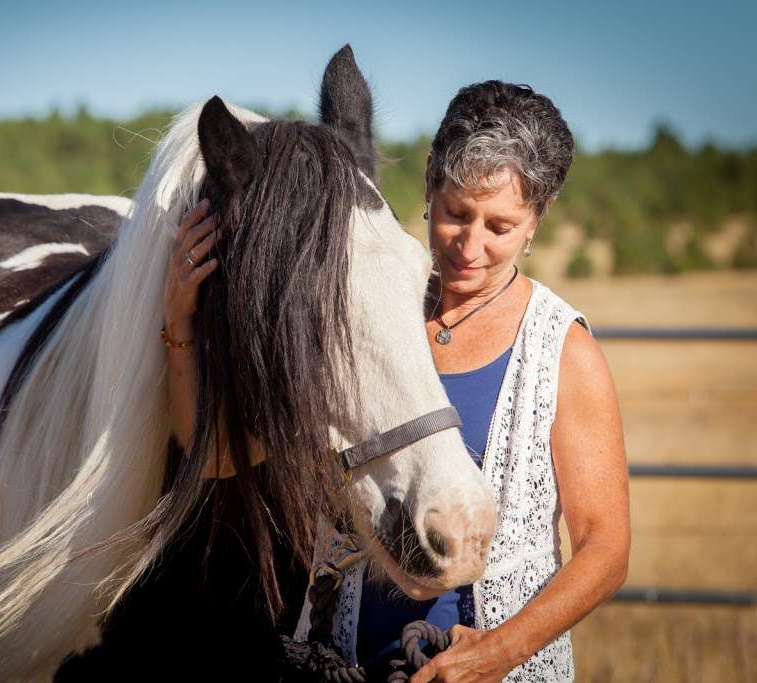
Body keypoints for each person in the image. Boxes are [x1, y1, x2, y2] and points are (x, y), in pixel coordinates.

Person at [164, 81, 630, 682]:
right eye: (456, 213)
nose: (470, 245)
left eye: (501, 226)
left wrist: (498, 653)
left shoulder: (562, 350)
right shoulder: (362, 319)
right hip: (336, 663)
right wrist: (177, 321)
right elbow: (220, 459)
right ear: (429, 184)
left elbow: (606, 550)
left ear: (536, 222)